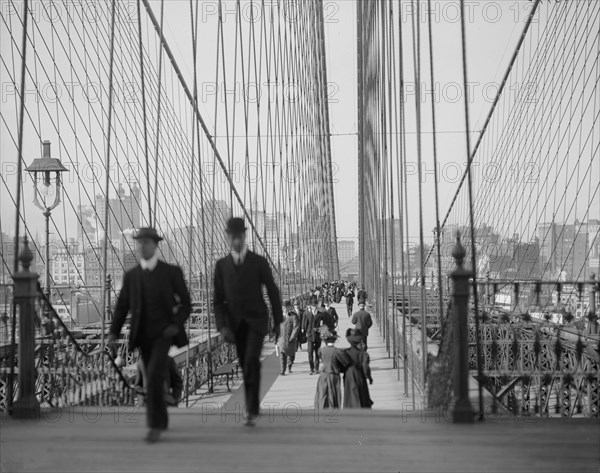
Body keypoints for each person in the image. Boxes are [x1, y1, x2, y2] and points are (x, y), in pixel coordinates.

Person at [108, 227, 191, 443]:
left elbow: (186, 304)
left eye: (146, 242)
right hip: (142, 336)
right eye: (139, 242)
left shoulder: (171, 272)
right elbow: (122, 307)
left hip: (164, 334)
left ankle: (154, 425)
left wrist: (175, 324)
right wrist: (113, 332)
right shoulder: (131, 276)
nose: (141, 246)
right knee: (152, 377)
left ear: (155, 245)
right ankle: (161, 419)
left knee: (153, 375)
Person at [213, 217, 283, 426]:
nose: (236, 240)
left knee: (252, 360)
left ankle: (251, 408)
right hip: (234, 325)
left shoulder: (258, 262)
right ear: (228, 238)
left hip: (256, 321)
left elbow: (272, 291)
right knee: (245, 364)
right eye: (232, 237)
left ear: (245, 237)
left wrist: (278, 322)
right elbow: (217, 300)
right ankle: (253, 406)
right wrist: (222, 326)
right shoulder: (221, 266)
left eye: (239, 236)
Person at [314, 328, 351, 409]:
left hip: (323, 375)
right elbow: (346, 362)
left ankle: (322, 407)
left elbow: (321, 357)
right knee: (334, 393)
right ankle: (333, 408)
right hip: (333, 375)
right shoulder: (337, 351)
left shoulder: (321, 350)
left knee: (323, 393)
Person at [343, 329, 373, 408]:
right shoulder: (363, 354)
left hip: (348, 378)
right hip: (359, 377)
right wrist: (369, 377)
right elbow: (365, 367)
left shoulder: (345, 352)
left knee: (349, 397)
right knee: (362, 395)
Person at [302, 295, 326, 374]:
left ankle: (316, 368)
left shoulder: (320, 314)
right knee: (310, 352)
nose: (314, 307)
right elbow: (305, 324)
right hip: (310, 335)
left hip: (318, 335)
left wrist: (320, 331)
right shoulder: (307, 313)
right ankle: (311, 368)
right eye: (313, 306)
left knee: (317, 352)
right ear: (311, 306)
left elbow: (323, 325)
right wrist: (304, 331)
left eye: (315, 306)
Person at [278, 300, 299, 375]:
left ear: (289, 307)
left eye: (286, 307)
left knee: (290, 355)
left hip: (290, 338)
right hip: (282, 339)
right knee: (282, 354)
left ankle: (289, 366)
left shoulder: (293, 316)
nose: (285, 309)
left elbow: (296, 327)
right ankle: (282, 370)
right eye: (283, 307)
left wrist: (292, 337)